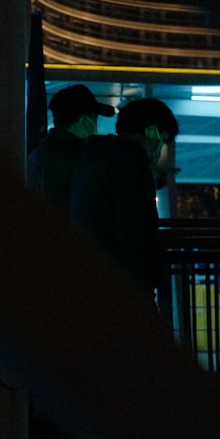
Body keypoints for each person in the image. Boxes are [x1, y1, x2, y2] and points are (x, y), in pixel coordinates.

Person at [68, 98, 179, 302]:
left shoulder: (94, 158)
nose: (160, 149)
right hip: (118, 288)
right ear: (151, 131)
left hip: (92, 281)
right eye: (162, 140)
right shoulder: (132, 162)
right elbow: (135, 230)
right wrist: (143, 288)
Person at [26, 84, 115, 211]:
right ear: (84, 121)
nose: (96, 125)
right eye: (95, 118)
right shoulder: (73, 158)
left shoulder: (40, 153)